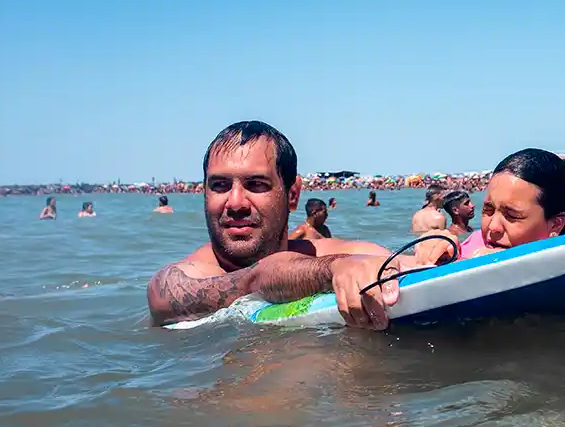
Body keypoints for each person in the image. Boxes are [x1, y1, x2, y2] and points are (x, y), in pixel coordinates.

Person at [146, 121, 410, 331]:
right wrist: (331, 270)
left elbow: (413, 266)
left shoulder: (341, 253)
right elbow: (256, 278)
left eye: (256, 185)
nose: (236, 203)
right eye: (220, 186)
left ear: (292, 195)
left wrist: (439, 246)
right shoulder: (180, 279)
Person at [414, 148, 565, 265]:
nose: (493, 226)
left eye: (512, 215)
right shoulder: (473, 245)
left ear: (556, 224)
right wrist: (432, 247)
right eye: (487, 211)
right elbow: (398, 263)